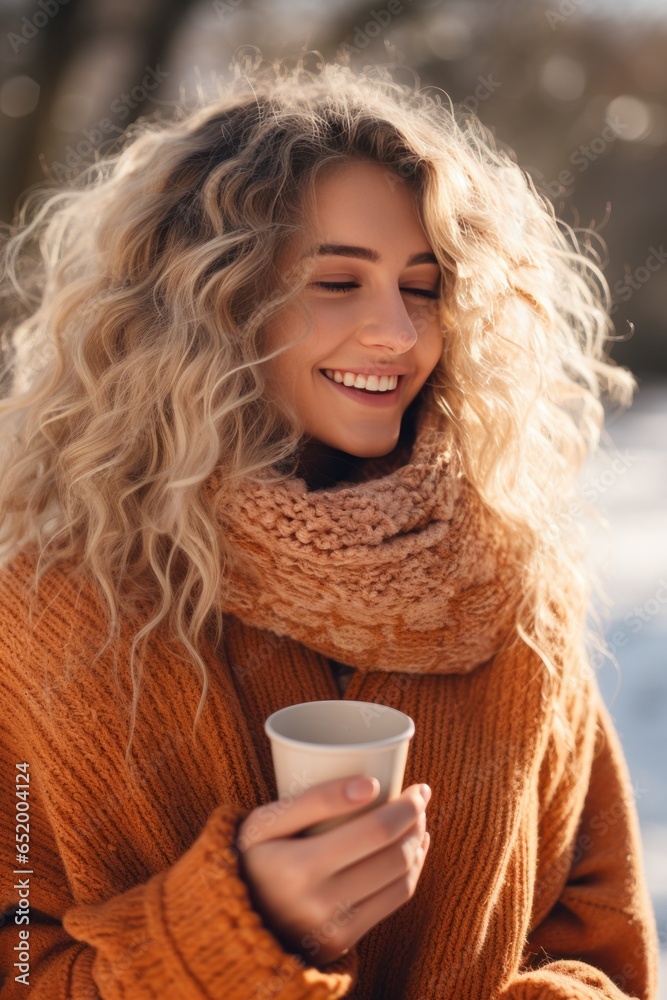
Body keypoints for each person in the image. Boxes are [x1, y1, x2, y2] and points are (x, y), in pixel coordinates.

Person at [0, 54, 659, 999]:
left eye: (422, 286)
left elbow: (605, 952)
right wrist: (234, 935)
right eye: (338, 284)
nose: (397, 332)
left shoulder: (509, 591)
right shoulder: (48, 611)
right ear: (212, 302)